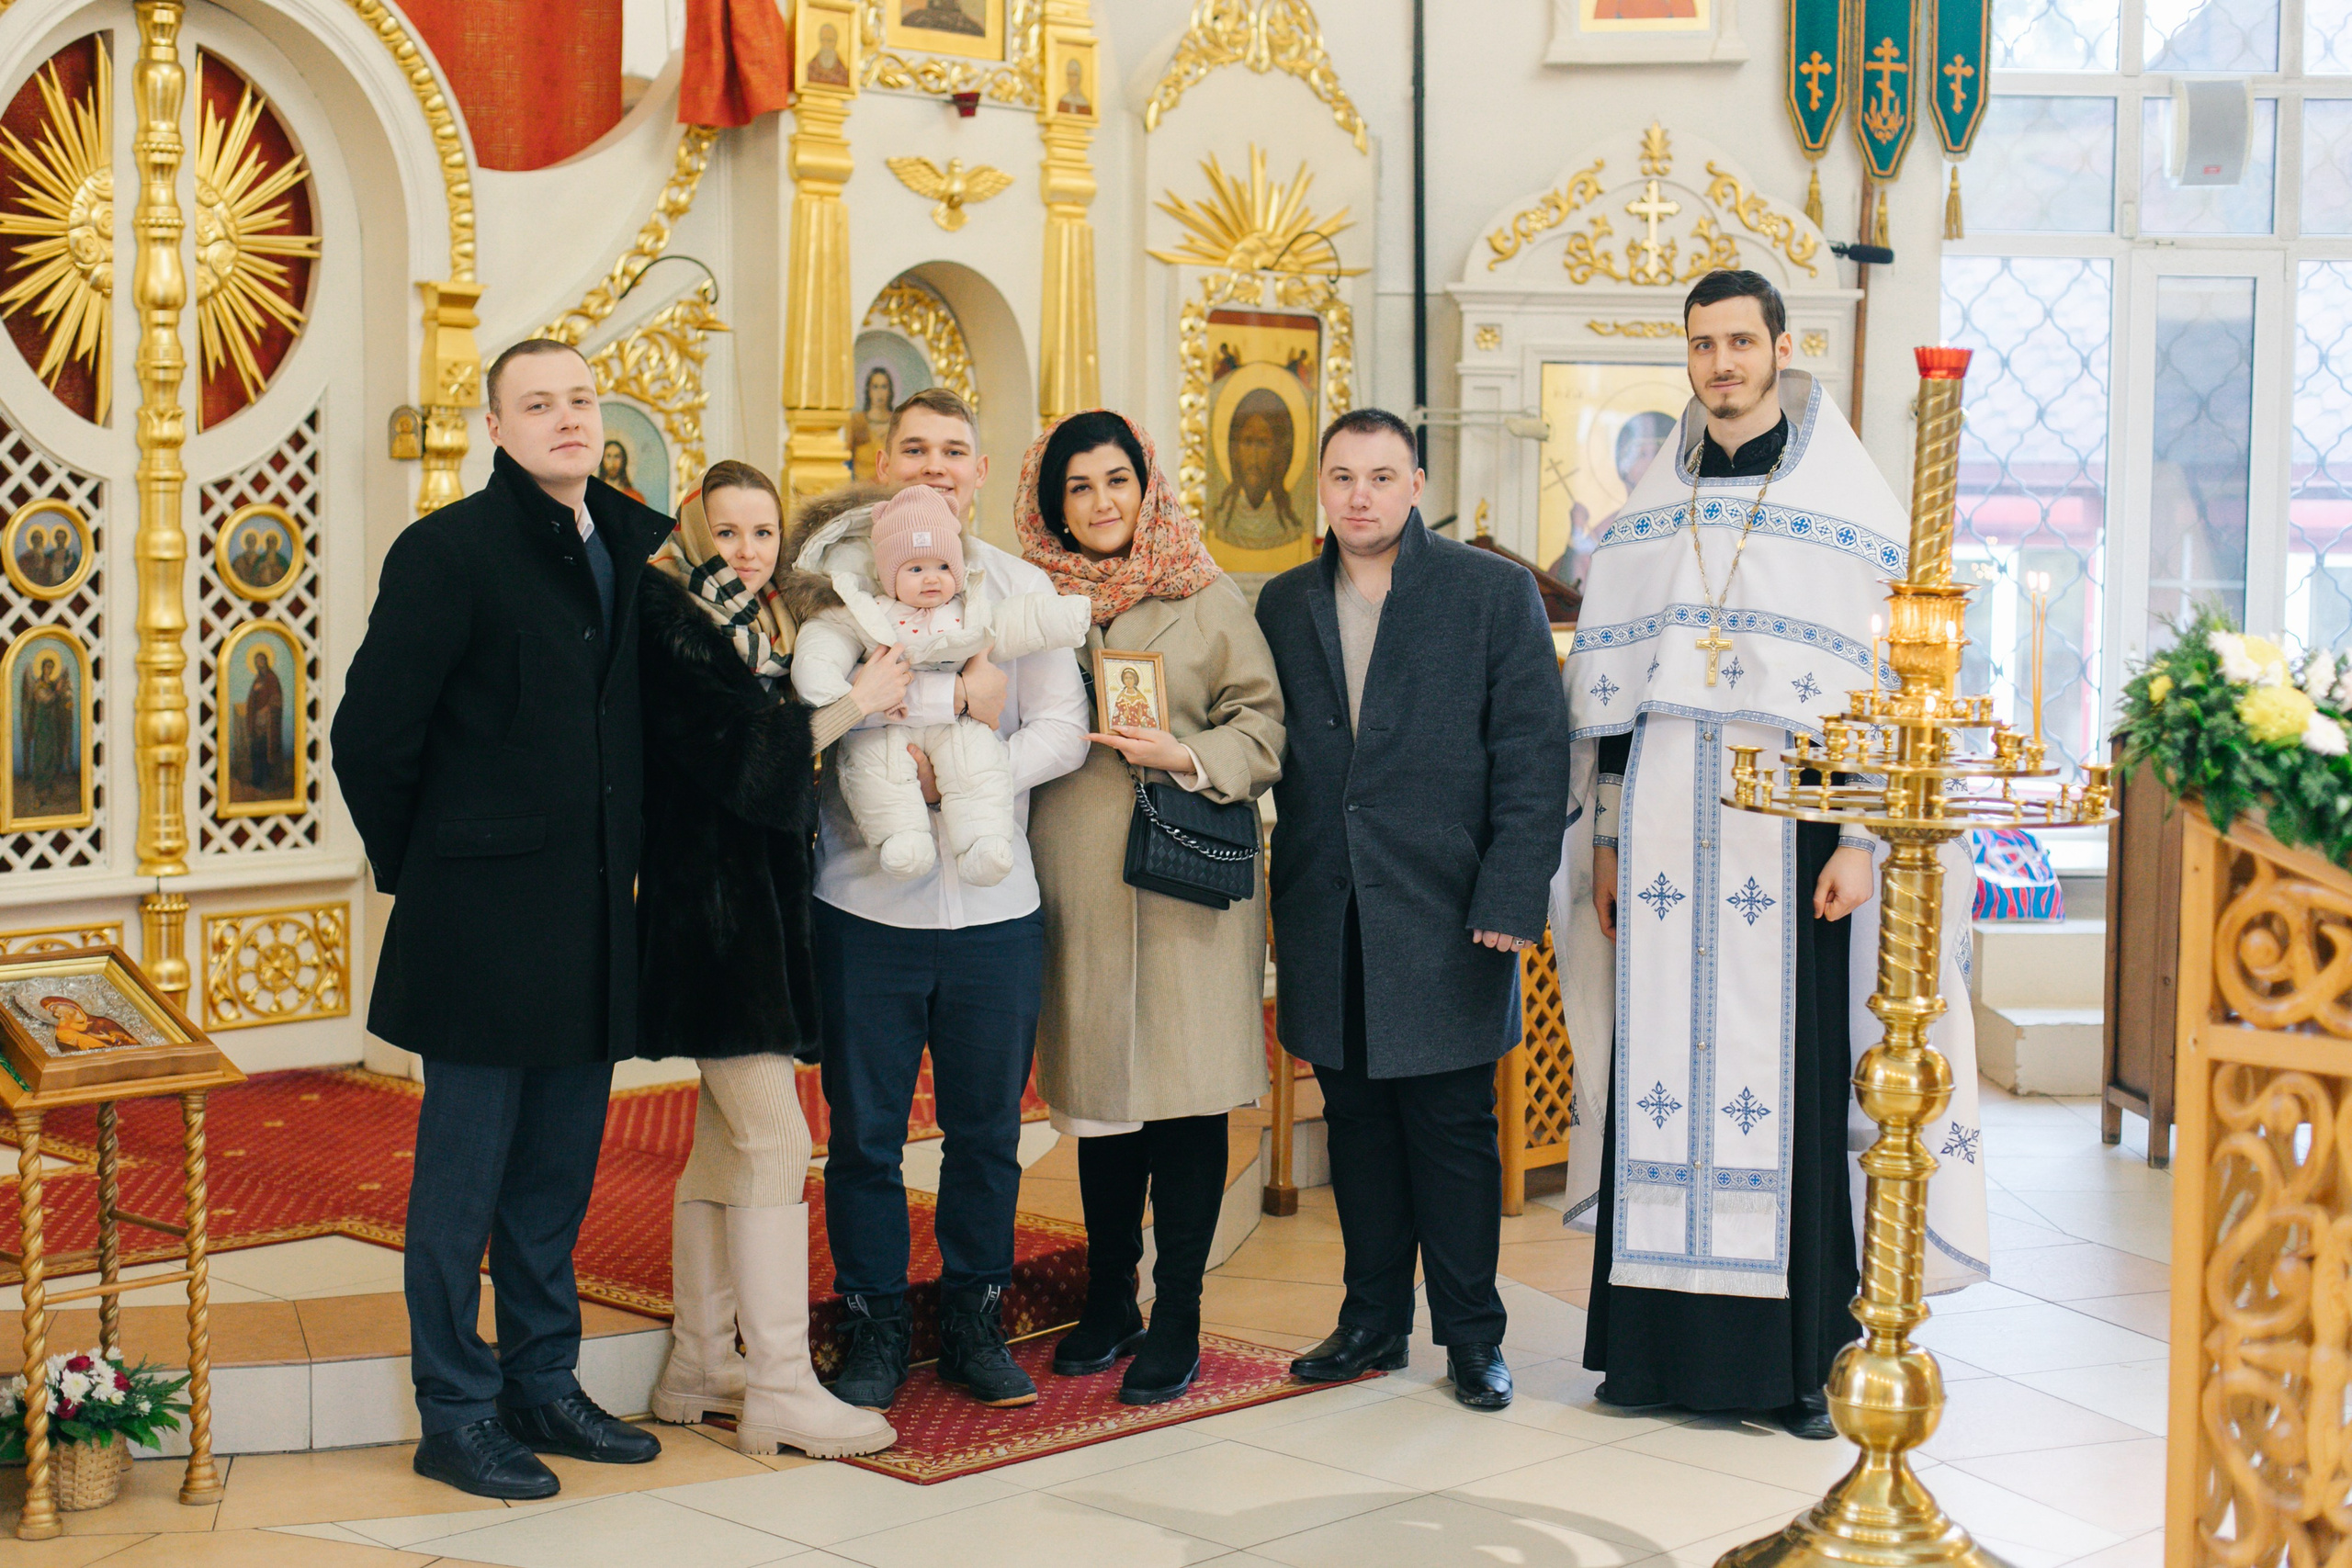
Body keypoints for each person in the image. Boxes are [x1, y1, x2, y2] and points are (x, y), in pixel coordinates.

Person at [1555, 268, 1990, 1439]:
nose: (1721, 364)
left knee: (1785, 1080)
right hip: (1660, 838)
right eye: (1703, 346)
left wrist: (1856, 838)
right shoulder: (1649, 513)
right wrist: (1606, 841)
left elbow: (1884, 692)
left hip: (1786, 838)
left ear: (1780, 350)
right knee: (1658, 1078)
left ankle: (1794, 1367)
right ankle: (1648, 1357)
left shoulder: (1847, 508)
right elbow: (1613, 706)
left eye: (1740, 343)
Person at [333, 338, 672, 1500]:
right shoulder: (448, 551)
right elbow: (371, 737)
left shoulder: (627, 543)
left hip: (594, 915)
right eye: (537, 404)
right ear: (495, 427)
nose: (566, 419)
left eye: (579, 399)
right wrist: (429, 873)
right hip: (477, 920)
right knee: (463, 1182)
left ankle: (542, 1381)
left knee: (556, 1174)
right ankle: (455, 1410)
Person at [1255, 408, 1570, 1412]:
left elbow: (1534, 752)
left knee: (1450, 1129)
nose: (1360, 496)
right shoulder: (1283, 602)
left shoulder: (1489, 592)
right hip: (1328, 905)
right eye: (1342, 477)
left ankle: (1474, 1338)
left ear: (1417, 485)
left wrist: (1512, 890)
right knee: (1357, 1128)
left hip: (1449, 909)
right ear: (1320, 487)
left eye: (1382, 477)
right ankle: (1372, 1323)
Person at [793, 387, 1090, 1411]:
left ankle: (974, 1317)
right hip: (864, 904)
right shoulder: (839, 588)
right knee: (865, 1135)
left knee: (988, 1132)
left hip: (994, 913)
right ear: (885, 464)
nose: (934, 466)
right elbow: (810, 712)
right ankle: (874, 1323)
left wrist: (968, 775)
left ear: (979, 469)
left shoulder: (1016, 588)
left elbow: (1062, 729)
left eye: (953, 451)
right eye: (914, 449)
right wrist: (921, 734)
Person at [636, 459, 908, 1460]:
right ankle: (782, 1386)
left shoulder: (763, 627)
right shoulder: (672, 623)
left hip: (748, 910)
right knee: (778, 1140)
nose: (747, 552)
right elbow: (748, 765)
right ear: (692, 532)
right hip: (711, 918)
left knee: (724, 1142)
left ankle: (700, 1363)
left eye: (763, 533)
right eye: (728, 532)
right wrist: (856, 702)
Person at [1019, 411, 1285, 1404]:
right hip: (1079, 876)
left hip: (1188, 879)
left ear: (1147, 486)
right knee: (1102, 1105)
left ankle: (1177, 1313)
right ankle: (1108, 1299)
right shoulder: (1030, 600)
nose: (1101, 503)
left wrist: (1187, 755)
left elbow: (1263, 726)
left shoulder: (1204, 594)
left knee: (1184, 1098)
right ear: (1054, 504)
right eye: (1079, 486)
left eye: (1117, 481)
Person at [792, 484, 1089, 886]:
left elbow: (1016, 622)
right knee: (875, 766)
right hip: (864, 876)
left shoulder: (972, 609)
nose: (931, 578)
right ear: (888, 576)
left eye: (943, 567)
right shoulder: (868, 612)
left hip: (957, 736)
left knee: (976, 760)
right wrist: (822, 675)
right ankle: (901, 839)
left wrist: (1062, 618)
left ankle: (983, 841)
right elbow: (830, 645)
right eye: (915, 569)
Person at [243, 648, 286, 795]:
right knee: (256, 750)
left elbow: (276, 698)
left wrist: (266, 710)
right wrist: (255, 693)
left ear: (266, 661)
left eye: (261, 661)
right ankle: (257, 780)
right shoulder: (257, 680)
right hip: (257, 722)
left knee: (267, 750)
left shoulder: (272, 678)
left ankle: (269, 781)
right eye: (256, 661)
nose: (258, 664)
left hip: (269, 723)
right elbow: (251, 701)